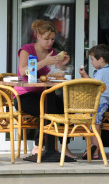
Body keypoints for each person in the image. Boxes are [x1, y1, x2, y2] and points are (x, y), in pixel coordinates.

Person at [14, 19, 77, 159]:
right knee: (47, 109)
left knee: (67, 109)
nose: (50, 42)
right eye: (46, 39)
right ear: (38, 36)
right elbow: (23, 71)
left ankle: (64, 148)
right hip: (24, 96)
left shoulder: (53, 52)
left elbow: (55, 74)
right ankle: (39, 145)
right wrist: (45, 62)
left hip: (46, 94)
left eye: (53, 39)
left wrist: (62, 66)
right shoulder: (27, 49)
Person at [79, 44, 109, 159]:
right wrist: (86, 76)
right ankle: (92, 148)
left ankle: (95, 150)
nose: (91, 63)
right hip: (100, 102)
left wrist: (84, 76)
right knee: (93, 124)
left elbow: (94, 85)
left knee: (95, 125)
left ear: (101, 59)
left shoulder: (102, 72)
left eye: (92, 60)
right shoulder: (104, 70)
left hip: (99, 103)